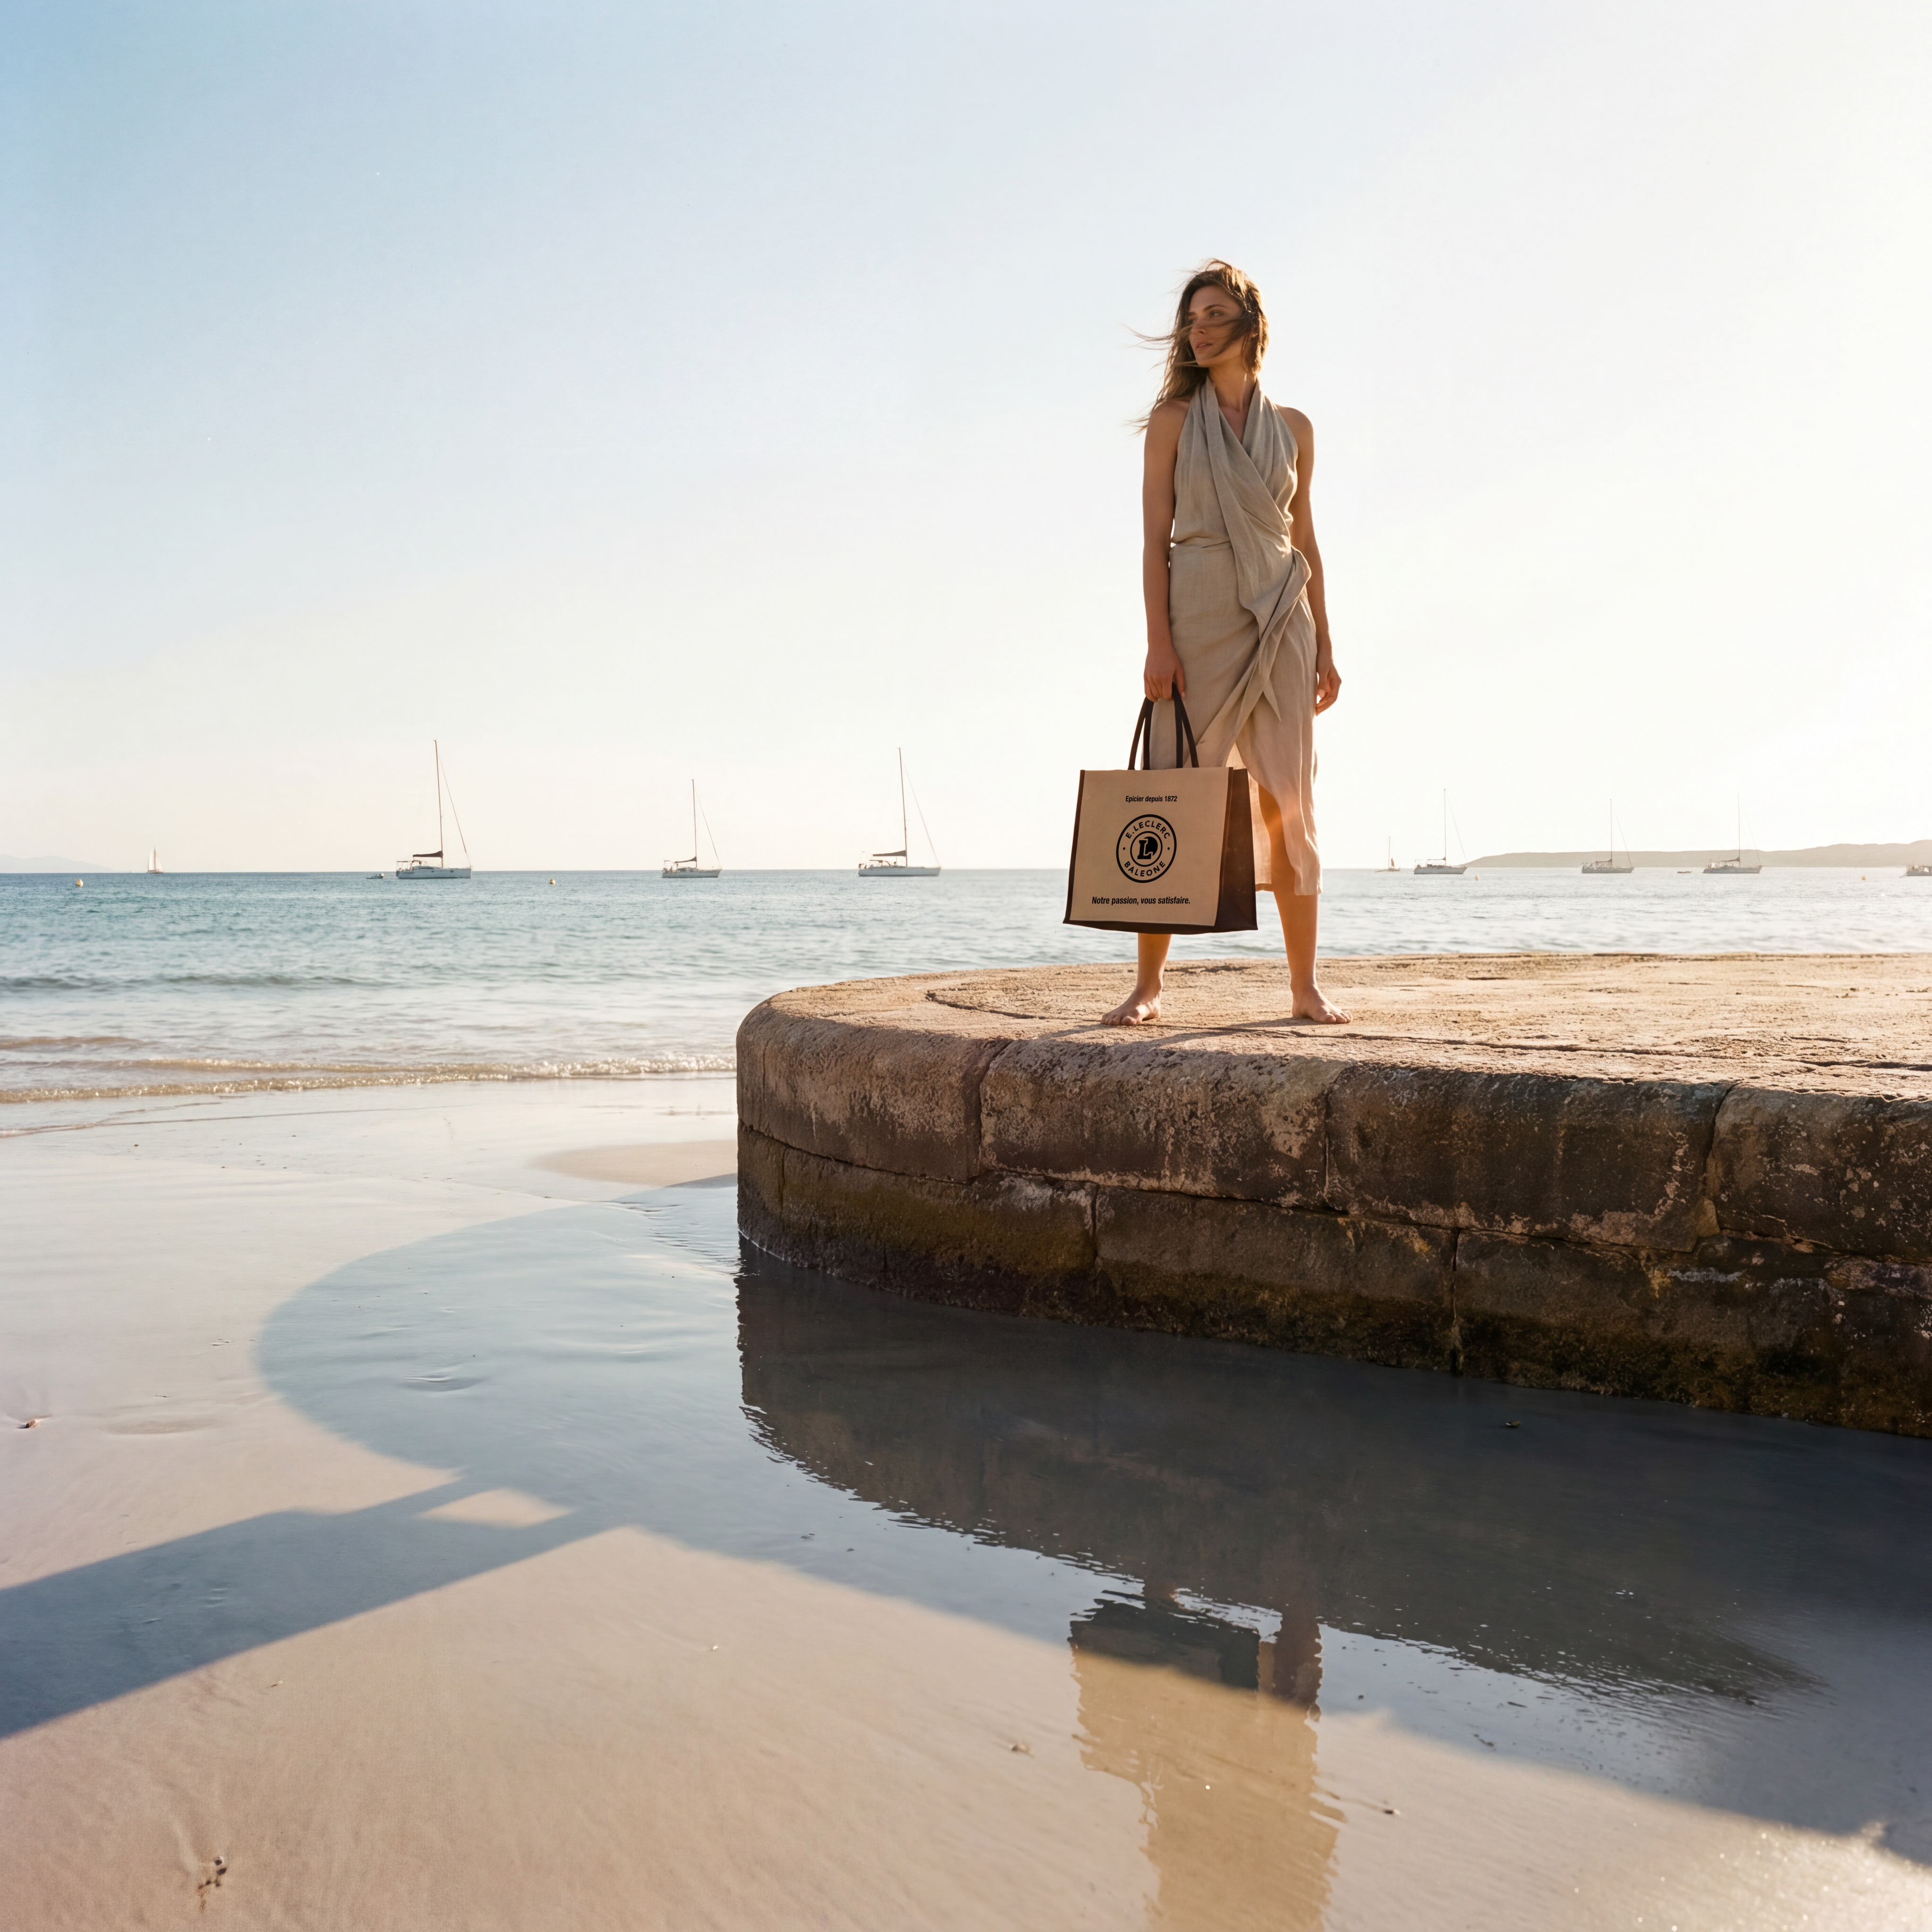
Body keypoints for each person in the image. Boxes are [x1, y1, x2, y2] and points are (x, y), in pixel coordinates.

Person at [1102, 261, 1348, 1026]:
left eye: (1212, 316)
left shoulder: (1297, 429)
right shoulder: (1175, 421)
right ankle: (1149, 986)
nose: (1198, 331)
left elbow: (1304, 537)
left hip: (1282, 620)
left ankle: (1304, 989)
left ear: (1249, 325)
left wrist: (1329, 644)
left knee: (1289, 800)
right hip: (1199, 614)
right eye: (1191, 321)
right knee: (1181, 794)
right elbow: (1152, 541)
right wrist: (1156, 643)